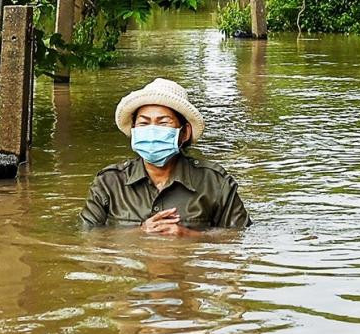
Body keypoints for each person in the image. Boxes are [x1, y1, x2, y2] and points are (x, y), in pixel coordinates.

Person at [81, 78, 250, 234]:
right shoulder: (109, 183)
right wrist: (139, 233)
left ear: (184, 133)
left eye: (163, 123)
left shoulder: (214, 182)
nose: (152, 131)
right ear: (134, 131)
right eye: (144, 123)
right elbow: (85, 236)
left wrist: (189, 236)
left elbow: (240, 237)